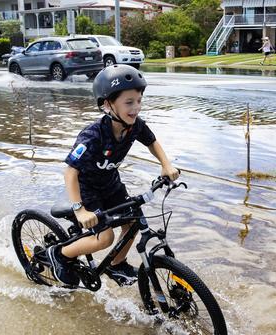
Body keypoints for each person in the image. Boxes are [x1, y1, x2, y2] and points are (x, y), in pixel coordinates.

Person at [46, 64, 180, 287]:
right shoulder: (92, 136)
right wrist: (80, 210)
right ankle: (60, 254)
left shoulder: (134, 126)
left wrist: (166, 165)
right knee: (105, 238)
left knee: (134, 223)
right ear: (108, 104)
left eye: (138, 101)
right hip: (87, 190)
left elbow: (152, 141)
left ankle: (116, 264)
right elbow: (70, 172)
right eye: (128, 102)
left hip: (112, 185)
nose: (135, 108)